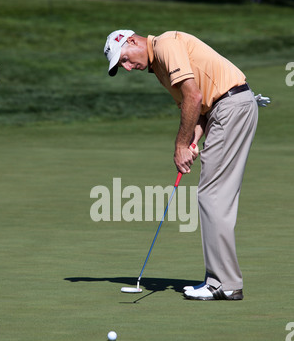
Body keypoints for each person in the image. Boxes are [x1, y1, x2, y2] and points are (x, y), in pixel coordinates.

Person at [103, 29, 266, 301]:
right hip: (225, 109)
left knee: (212, 195)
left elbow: (194, 97)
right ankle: (223, 281)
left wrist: (180, 146)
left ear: (131, 41)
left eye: (124, 60)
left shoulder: (166, 45)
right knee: (214, 195)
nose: (128, 68)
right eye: (122, 67)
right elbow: (199, 110)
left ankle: (222, 283)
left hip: (229, 107)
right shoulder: (159, 69)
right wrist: (192, 142)